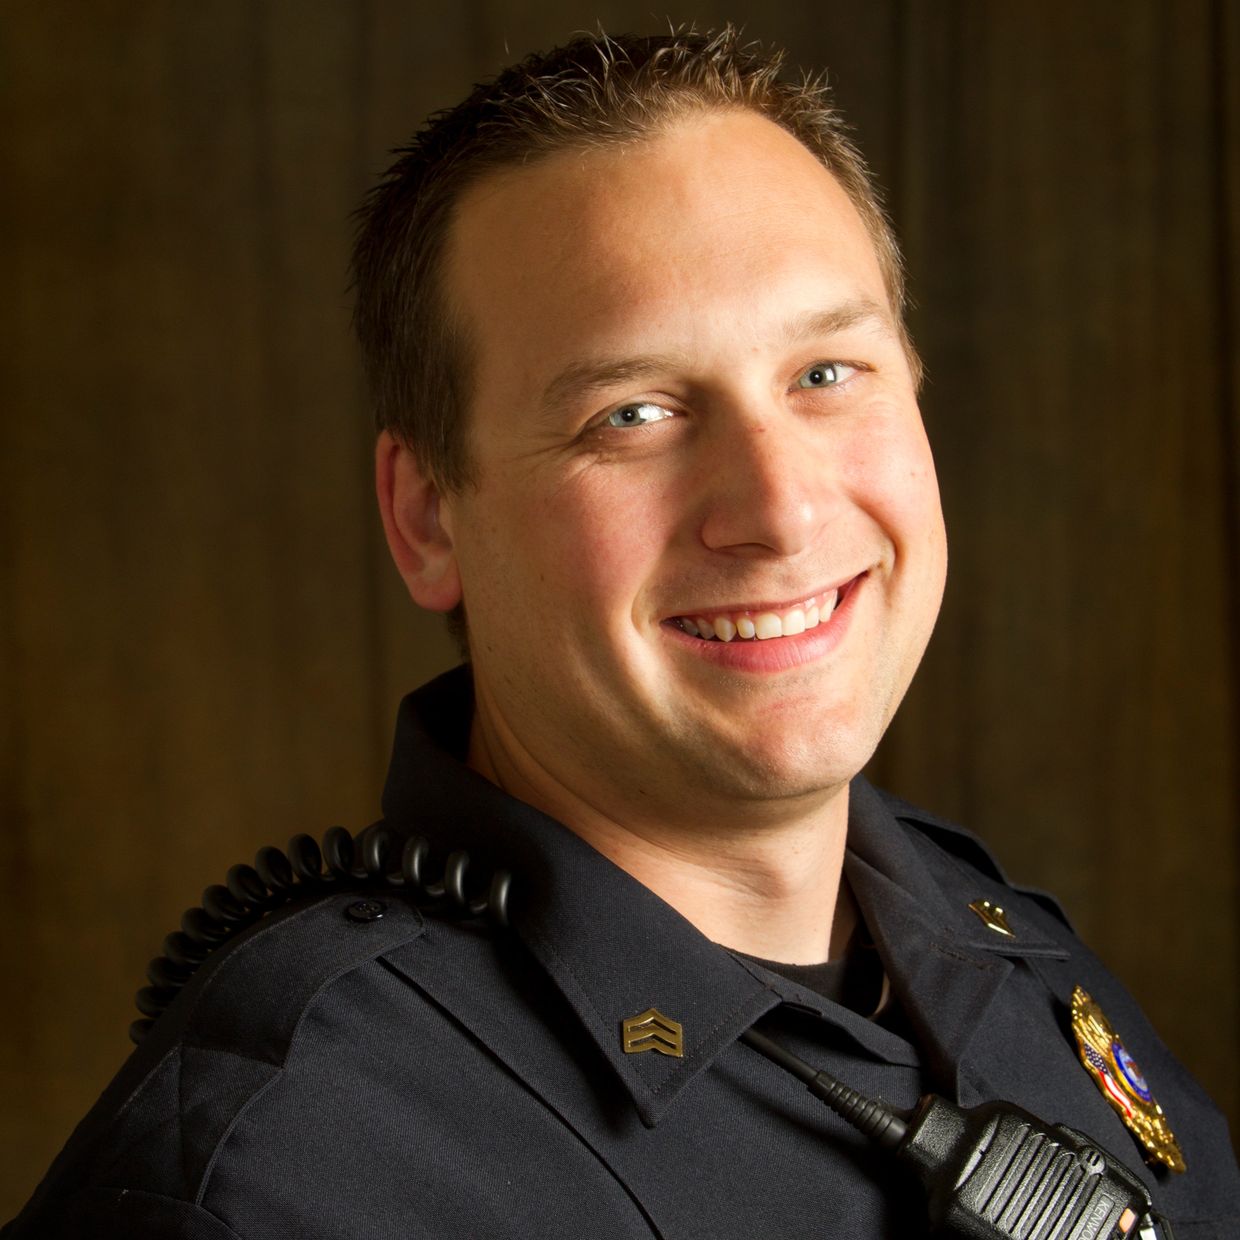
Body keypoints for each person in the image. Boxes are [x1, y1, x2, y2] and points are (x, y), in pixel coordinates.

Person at [6, 27, 1238, 1239]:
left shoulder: (1001, 949)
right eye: (632, 413)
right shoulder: (279, 1182)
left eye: (825, 372)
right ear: (428, 515)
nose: (780, 507)